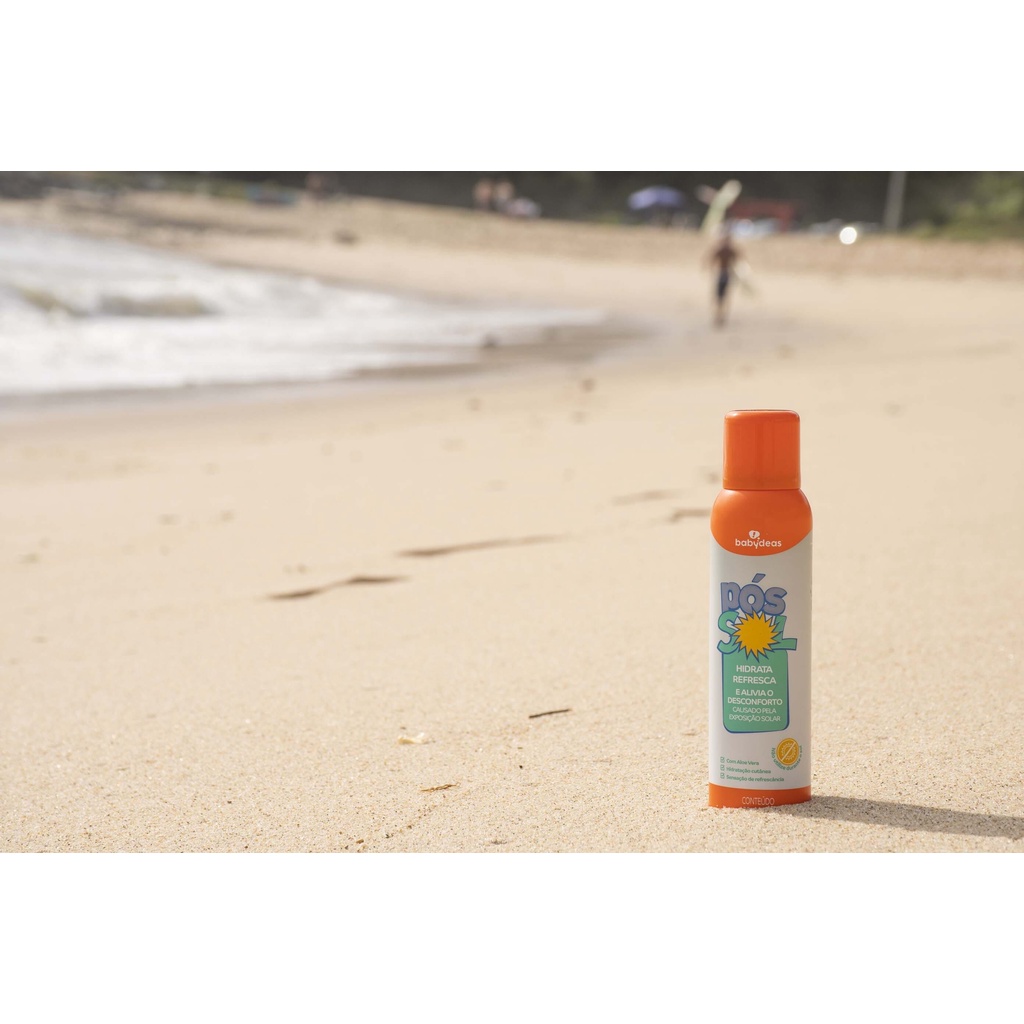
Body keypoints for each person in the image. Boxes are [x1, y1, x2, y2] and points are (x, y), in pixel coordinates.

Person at [706, 225, 743, 327]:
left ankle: (719, 315)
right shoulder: (731, 250)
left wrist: (710, 270)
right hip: (727, 273)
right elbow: (739, 260)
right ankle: (721, 316)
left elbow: (711, 260)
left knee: (720, 296)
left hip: (723, 273)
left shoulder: (722, 249)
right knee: (724, 296)